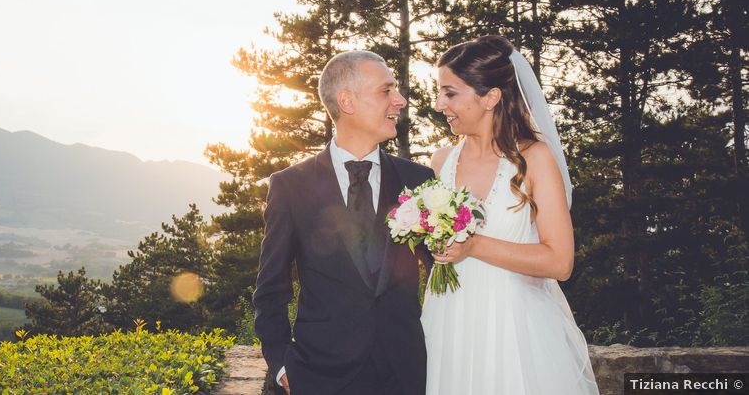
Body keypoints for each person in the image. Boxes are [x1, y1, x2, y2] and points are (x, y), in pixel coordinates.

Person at [422, 35, 599, 394]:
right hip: (447, 322)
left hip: (513, 329)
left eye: (450, 92)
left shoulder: (534, 159)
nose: (440, 103)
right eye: (439, 92)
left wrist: (474, 246)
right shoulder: (441, 162)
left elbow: (560, 261)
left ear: (491, 97)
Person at [253, 50, 434, 395]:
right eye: (386, 90)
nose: (401, 100)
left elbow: (443, 275)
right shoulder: (291, 185)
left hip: (406, 373)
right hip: (319, 375)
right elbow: (271, 289)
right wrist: (281, 365)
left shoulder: (419, 180)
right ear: (347, 101)